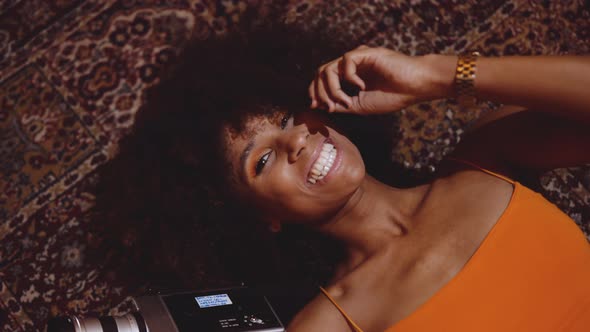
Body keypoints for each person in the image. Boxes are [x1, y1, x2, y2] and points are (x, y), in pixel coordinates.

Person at [95, 29, 590, 331]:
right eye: (261, 162)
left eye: (288, 119)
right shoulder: (327, 325)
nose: (295, 142)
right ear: (261, 218)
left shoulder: (489, 156)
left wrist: (437, 76)